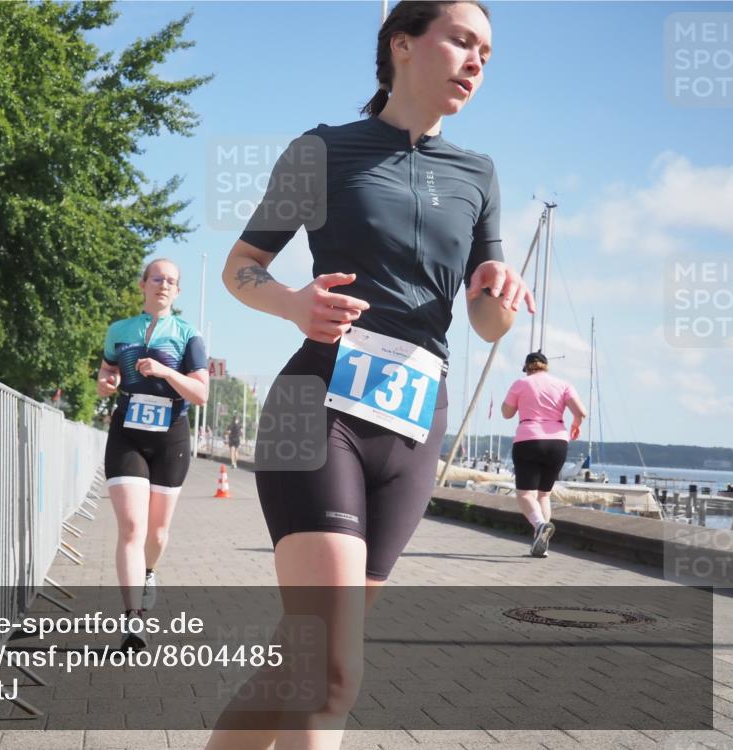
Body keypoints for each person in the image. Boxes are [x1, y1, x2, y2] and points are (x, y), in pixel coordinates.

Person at [206, 2, 535, 747]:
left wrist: (496, 291)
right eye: (461, 40)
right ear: (403, 44)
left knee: (303, 664)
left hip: (416, 424)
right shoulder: (322, 151)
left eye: (488, 50)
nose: (478, 60)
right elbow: (240, 267)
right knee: (333, 675)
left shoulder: (479, 175)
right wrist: (294, 304)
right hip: (317, 408)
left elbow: (487, 325)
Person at [96, 258, 208, 650]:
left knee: (156, 534)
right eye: (157, 278)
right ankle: (133, 619)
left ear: (177, 293)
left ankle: (148, 571)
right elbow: (106, 374)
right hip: (127, 432)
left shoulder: (188, 335)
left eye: (171, 281)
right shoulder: (119, 330)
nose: (163, 284)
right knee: (132, 528)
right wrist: (107, 382)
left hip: (170, 437)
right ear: (143, 284)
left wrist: (165, 373)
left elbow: (200, 393)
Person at [501, 351, 587, 557]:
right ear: (546, 367)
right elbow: (581, 412)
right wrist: (576, 424)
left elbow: (506, 413)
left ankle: (540, 525)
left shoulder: (521, 384)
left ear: (527, 368)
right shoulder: (563, 385)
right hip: (558, 442)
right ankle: (540, 544)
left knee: (524, 494)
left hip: (529, 439)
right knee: (544, 495)